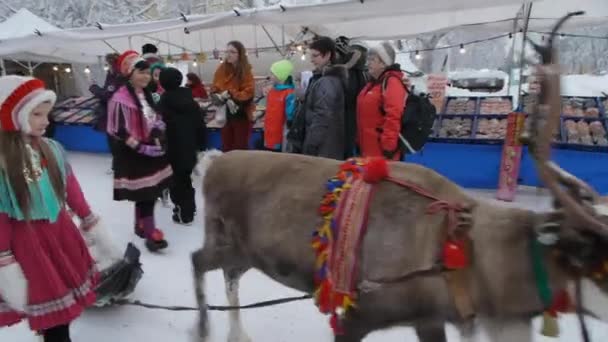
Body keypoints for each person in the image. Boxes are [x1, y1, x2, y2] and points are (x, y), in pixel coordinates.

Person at [0, 76, 116, 341]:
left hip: (60, 234)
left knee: (60, 307)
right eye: (36, 114)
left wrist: (88, 218)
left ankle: (49, 328)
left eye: (46, 113)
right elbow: (2, 215)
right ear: (14, 117)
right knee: (55, 315)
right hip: (29, 246)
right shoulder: (4, 164)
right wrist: (4, 258)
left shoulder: (52, 149)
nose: (46, 120)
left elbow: (71, 189)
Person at [106, 50, 172, 252]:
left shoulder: (144, 94)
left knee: (146, 193)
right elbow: (117, 130)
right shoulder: (120, 98)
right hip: (135, 154)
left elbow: (151, 116)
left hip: (150, 149)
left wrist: (159, 125)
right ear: (129, 73)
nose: (145, 76)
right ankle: (151, 233)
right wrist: (141, 147)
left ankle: (140, 224)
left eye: (147, 73)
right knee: (148, 194)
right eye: (141, 72)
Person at [159, 67, 206, 225]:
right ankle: (190, 208)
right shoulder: (190, 100)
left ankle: (183, 214)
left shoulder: (164, 102)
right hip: (189, 148)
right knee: (186, 179)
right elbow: (200, 124)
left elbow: (158, 127)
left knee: (177, 182)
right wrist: (201, 144)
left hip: (173, 150)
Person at [287, 36, 347, 160]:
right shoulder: (320, 79)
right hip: (323, 144)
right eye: (311, 56)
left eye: (315, 56)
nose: (312, 60)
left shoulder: (327, 82)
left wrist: (310, 146)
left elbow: (322, 117)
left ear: (328, 55)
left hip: (323, 148)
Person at [356, 42, 407, 160]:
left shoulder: (392, 82)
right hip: (368, 148)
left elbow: (394, 115)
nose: (368, 63)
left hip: (382, 151)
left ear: (384, 63)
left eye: (372, 59)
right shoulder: (372, 83)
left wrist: (388, 147)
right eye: (368, 59)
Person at [211, 40, 255, 152]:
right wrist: (219, 95)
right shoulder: (221, 69)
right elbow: (214, 89)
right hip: (225, 115)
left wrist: (230, 93)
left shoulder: (246, 71)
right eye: (227, 51)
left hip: (241, 115)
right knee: (226, 147)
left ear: (240, 54)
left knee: (240, 148)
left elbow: (248, 93)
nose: (228, 54)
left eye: (232, 52)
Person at [89, 53, 125, 174]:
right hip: (117, 114)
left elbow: (106, 95)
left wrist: (93, 87)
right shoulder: (114, 74)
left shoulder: (117, 76)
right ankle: (118, 166)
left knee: (116, 142)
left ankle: (120, 168)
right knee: (117, 142)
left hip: (115, 115)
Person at [335, 36, 369, 158]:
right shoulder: (364, 72)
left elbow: (346, 95)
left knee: (345, 147)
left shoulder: (347, 71)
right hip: (359, 116)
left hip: (346, 114)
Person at [264, 60, 296, 152]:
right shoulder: (272, 91)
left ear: (281, 76)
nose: (270, 76)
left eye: (273, 74)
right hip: (269, 131)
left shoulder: (289, 93)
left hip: (281, 133)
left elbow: (290, 115)